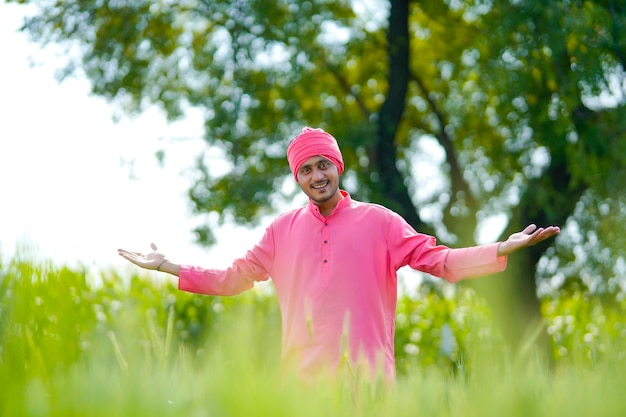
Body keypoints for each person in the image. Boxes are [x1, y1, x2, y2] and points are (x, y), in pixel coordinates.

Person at [118, 127, 560, 381]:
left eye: (323, 164)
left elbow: (439, 260)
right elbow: (234, 278)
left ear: (338, 166)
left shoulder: (380, 221)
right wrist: (170, 266)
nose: (316, 175)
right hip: (300, 384)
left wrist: (502, 247)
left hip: (366, 385)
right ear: (297, 177)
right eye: (306, 169)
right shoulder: (280, 231)